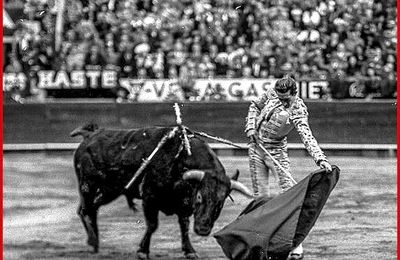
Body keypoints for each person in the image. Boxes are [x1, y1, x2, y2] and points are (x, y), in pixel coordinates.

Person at [245, 75, 332, 260]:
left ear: (294, 93)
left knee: (289, 196)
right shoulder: (272, 93)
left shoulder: (299, 109)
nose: (282, 101)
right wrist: (251, 128)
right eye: (279, 97)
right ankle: (260, 242)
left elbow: (307, 137)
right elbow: (254, 106)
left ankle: (296, 244)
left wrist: (320, 159)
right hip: (256, 149)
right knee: (261, 197)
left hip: (277, 152)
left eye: (286, 99)